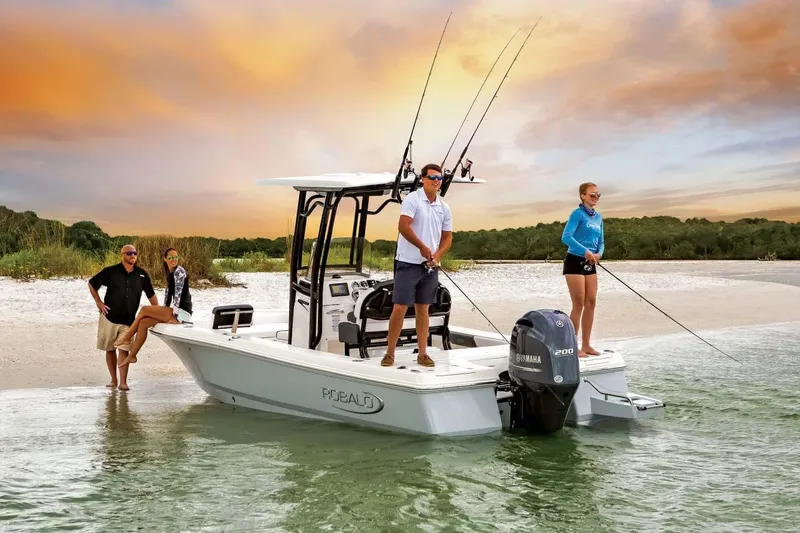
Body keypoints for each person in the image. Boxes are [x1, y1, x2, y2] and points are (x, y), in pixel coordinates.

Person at [381, 163, 453, 368]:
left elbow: (448, 237)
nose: (436, 181)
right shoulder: (413, 200)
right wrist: (422, 247)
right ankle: (390, 353)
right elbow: (403, 227)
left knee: (423, 308)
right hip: (408, 262)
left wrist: (438, 254)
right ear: (422, 178)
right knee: (400, 307)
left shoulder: (444, 207)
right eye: (432, 177)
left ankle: (422, 354)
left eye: (439, 178)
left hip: (430, 266)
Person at [88, 244, 158, 391]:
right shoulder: (111, 271)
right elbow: (92, 283)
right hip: (109, 317)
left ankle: (123, 383)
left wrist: (157, 313)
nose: (132, 255)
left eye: (134, 253)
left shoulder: (142, 275)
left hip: (128, 321)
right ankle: (113, 380)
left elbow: (151, 294)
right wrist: (98, 302)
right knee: (110, 349)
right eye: (129, 253)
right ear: (122, 255)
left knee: (124, 350)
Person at [115, 247, 193, 367]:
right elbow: (168, 296)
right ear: (165, 259)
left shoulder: (179, 271)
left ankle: (127, 337)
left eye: (175, 257)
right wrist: (163, 310)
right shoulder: (170, 273)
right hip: (176, 311)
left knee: (144, 310)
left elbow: (177, 294)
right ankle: (132, 356)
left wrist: (174, 316)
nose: (173, 260)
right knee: (143, 323)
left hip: (182, 312)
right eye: (170, 257)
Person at [561, 182, 605, 357]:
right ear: (583, 196)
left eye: (598, 195)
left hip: (591, 262)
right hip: (575, 261)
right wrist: (585, 251)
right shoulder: (577, 214)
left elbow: (601, 241)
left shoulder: (599, 218)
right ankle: (573, 345)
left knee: (591, 302)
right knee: (578, 303)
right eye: (592, 195)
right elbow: (566, 237)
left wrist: (599, 254)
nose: (595, 198)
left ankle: (587, 345)